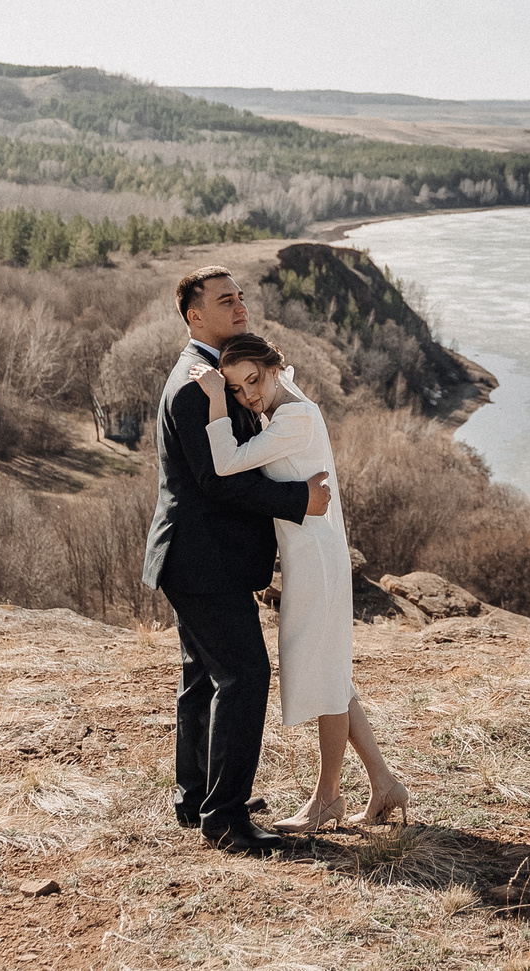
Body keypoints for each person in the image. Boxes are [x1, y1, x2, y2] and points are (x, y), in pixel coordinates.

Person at [142, 266, 330, 857]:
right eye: (225, 300)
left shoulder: (213, 376)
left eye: (240, 295)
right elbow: (217, 482)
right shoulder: (194, 386)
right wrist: (301, 500)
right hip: (202, 561)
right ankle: (225, 817)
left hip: (199, 558)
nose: (239, 304)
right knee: (244, 676)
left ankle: (196, 794)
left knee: (202, 678)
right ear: (195, 316)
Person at [199, 331, 412, 832]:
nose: (248, 394)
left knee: (324, 676)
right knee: (330, 671)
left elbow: (227, 462)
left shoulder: (295, 417)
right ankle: (383, 784)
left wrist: (213, 401)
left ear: (275, 367)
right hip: (311, 555)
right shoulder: (287, 398)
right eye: (235, 388)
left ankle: (326, 799)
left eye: (253, 380)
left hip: (315, 559)